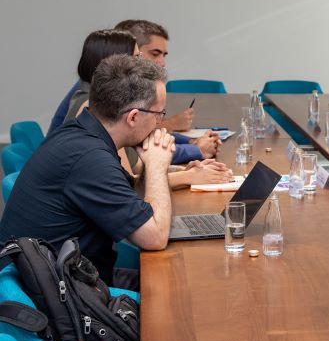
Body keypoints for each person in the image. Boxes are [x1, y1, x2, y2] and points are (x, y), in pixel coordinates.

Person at [2, 55, 176, 288]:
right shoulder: (89, 158)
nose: (159, 123)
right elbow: (155, 238)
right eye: (159, 114)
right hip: (59, 296)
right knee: (176, 289)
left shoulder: (81, 134)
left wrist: (149, 164)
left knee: (175, 279)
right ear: (133, 117)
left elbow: (133, 197)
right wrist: (156, 165)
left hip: (67, 278)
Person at [59, 30, 232, 190]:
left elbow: (136, 169)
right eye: (135, 58)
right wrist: (188, 176)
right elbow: (127, 186)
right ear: (114, 64)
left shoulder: (100, 101)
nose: (141, 64)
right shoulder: (94, 107)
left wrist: (186, 171)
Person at [115, 19, 220, 163]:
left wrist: (191, 142)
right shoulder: (112, 94)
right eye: (155, 54)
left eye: (164, 55)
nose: (162, 63)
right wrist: (197, 149)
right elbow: (143, 151)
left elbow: (149, 134)